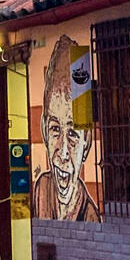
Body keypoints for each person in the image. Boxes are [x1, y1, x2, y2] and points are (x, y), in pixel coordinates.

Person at [32, 35, 100, 222]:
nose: (62, 152)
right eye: (55, 129)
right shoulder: (42, 188)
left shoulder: (90, 217)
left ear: (86, 143)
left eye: (72, 134)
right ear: (44, 131)